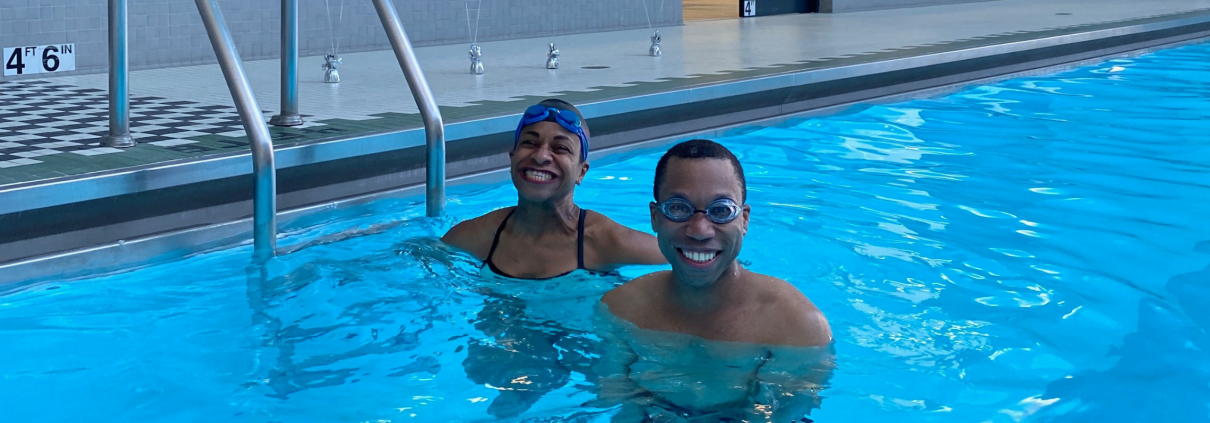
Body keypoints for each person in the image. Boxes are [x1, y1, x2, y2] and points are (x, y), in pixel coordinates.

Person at [596, 139, 834, 421]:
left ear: (744, 220)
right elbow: (618, 403)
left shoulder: (796, 327)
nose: (699, 230)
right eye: (678, 208)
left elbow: (785, 413)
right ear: (655, 218)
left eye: (721, 210)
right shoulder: (621, 309)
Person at [442, 99, 665, 279]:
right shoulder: (476, 237)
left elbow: (681, 260)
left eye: (561, 148)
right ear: (512, 157)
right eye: (530, 143)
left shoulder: (604, 241)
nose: (540, 157)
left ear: (581, 172)